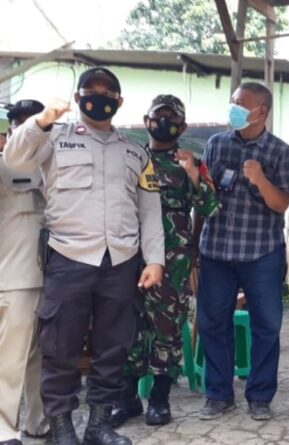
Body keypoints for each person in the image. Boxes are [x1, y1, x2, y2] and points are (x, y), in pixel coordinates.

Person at [4, 67, 165, 445]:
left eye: (107, 92)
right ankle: (61, 427)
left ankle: (99, 425)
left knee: (113, 346)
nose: (99, 96)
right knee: (60, 346)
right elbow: (14, 159)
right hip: (68, 255)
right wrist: (42, 121)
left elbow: (149, 210)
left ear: (119, 101)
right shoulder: (54, 138)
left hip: (121, 261)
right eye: (90, 91)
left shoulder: (135, 150)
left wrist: (155, 259)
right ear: (78, 98)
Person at [111, 95, 220, 427]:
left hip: (173, 257)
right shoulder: (130, 157)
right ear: (146, 121)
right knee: (127, 324)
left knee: (167, 327)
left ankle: (159, 398)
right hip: (130, 251)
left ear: (182, 126)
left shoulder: (192, 161)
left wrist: (193, 175)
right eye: (159, 116)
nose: (164, 122)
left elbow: (211, 208)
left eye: (172, 118)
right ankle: (126, 398)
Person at [197, 82, 289, 421]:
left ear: (261, 111)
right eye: (233, 101)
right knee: (212, 324)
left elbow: (282, 203)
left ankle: (260, 397)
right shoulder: (216, 145)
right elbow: (206, 197)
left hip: (261, 253)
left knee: (266, 326)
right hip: (216, 250)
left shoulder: (280, 152)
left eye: (241, 103)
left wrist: (260, 180)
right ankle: (219, 394)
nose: (234, 107)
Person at [0, 99, 48, 445]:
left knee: (40, 355)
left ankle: (38, 422)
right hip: (13, 278)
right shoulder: (4, 168)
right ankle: (4, 427)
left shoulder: (52, 164)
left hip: (51, 274)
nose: (24, 130)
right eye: (18, 124)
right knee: (10, 355)